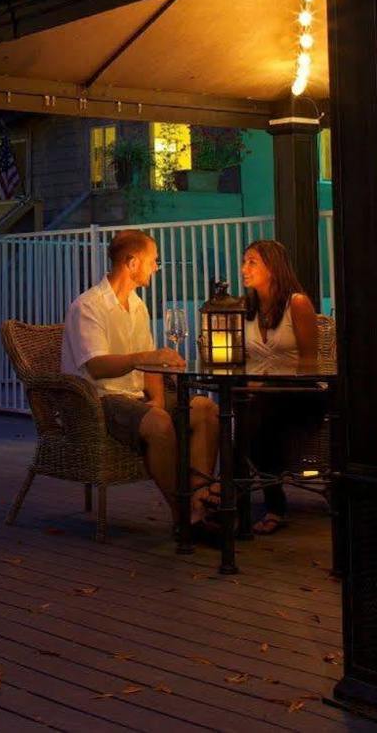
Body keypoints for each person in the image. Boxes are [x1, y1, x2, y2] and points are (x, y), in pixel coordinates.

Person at [60, 229, 224, 535]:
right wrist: (144, 358)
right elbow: (96, 367)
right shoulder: (88, 307)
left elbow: (150, 365)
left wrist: (158, 399)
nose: (156, 268)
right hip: (100, 400)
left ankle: (199, 503)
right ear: (131, 262)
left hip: (135, 398)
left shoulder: (137, 305)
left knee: (205, 408)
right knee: (158, 423)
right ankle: (184, 516)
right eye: (153, 260)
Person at [236, 238, 325, 535]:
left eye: (252, 262)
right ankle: (243, 500)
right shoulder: (246, 309)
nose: (244, 268)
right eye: (244, 261)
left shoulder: (296, 304)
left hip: (299, 394)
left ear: (272, 268)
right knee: (238, 412)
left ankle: (243, 501)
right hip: (259, 397)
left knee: (254, 418)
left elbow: (310, 363)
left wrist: (269, 386)